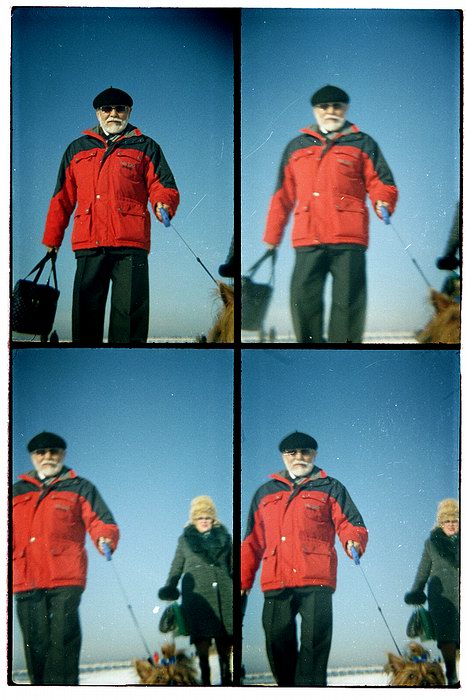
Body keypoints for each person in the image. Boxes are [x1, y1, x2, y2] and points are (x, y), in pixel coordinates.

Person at [42, 86, 180, 344]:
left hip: (130, 245)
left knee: (129, 321)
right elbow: (62, 197)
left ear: (129, 112)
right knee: (85, 319)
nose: (113, 114)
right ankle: (86, 364)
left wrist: (163, 203)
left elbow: (163, 185)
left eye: (120, 109)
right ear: (98, 113)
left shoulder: (146, 146)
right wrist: (52, 239)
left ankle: (128, 363)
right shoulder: (77, 149)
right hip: (89, 243)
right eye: (107, 109)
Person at [262, 85, 398, 343]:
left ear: (346, 109)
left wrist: (383, 201)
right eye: (324, 107)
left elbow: (382, 181)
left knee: (348, 305)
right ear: (315, 110)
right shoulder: (296, 146)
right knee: (303, 301)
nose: (330, 111)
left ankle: (343, 355)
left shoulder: (363, 142)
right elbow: (282, 195)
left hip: (348, 236)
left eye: (337, 106)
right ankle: (309, 355)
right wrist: (272, 236)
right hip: (307, 237)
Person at [241, 431, 368, 686]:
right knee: (276, 641)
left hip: (316, 578)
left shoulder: (331, 487)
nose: (299, 457)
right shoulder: (265, 493)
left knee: (314, 647)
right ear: (283, 456)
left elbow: (351, 523)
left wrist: (352, 540)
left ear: (314, 454)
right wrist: (243, 582)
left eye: (305, 452)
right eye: (292, 452)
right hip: (276, 580)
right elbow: (251, 542)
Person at [12, 431, 120, 685]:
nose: (47, 457)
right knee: (35, 646)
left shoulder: (80, 486)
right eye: (41, 452)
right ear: (33, 456)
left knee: (62, 642)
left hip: (65, 576)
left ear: (63, 454)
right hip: (25, 578)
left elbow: (101, 520)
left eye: (54, 451)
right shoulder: (15, 492)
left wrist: (104, 538)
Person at [158, 496, 233, 686]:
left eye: (208, 517)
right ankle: (205, 683)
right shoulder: (184, 541)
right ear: (194, 520)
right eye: (200, 518)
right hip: (198, 599)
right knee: (202, 646)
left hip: (224, 596)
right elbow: (176, 567)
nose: (204, 521)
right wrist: (170, 587)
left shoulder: (226, 538)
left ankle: (228, 683)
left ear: (213, 519)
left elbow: (234, 566)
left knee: (225, 646)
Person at [404, 498, 459, 687]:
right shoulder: (431, 543)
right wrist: (416, 591)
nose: (451, 525)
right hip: (442, 599)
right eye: (446, 521)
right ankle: (452, 676)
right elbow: (423, 570)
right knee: (447, 639)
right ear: (440, 522)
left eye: (455, 520)